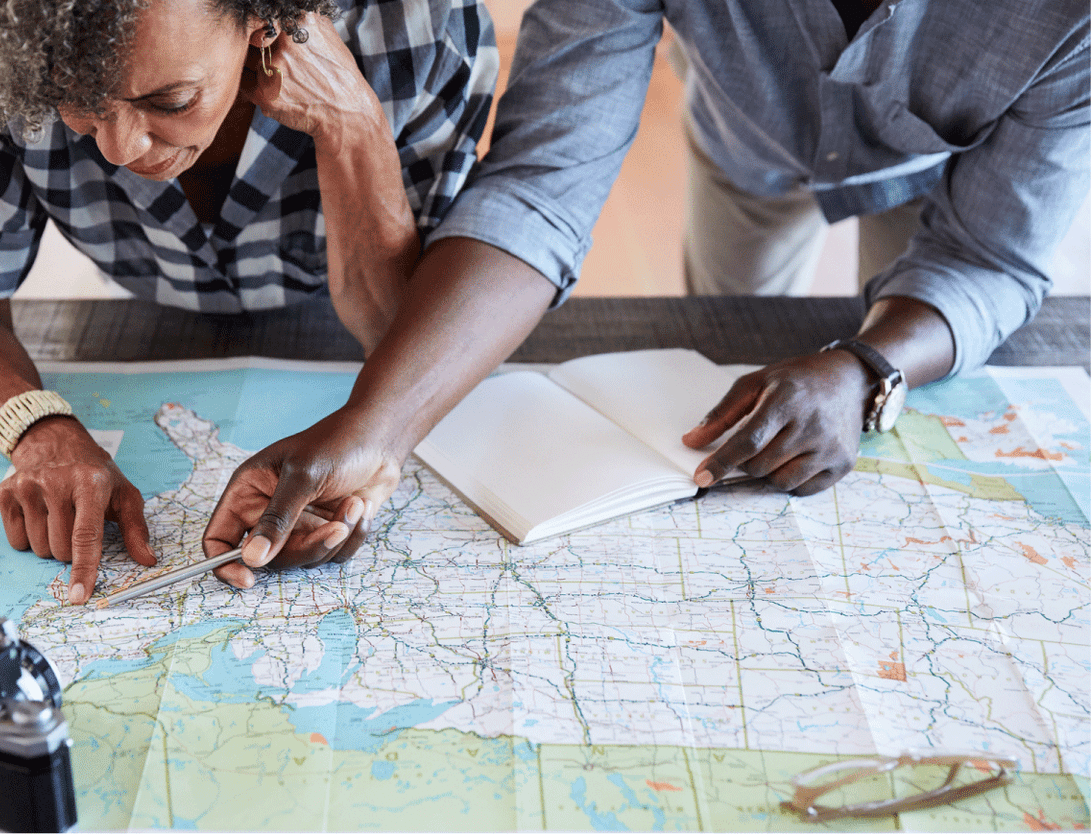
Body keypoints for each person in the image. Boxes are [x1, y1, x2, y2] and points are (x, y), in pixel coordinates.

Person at [0, 0, 551, 603]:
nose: (120, 148)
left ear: (262, 23)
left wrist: (349, 123)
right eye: (81, 108)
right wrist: (38, 431)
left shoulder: (416, 26)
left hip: (333, 334)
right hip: (142, 321)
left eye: (171, 99)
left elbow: (397, 334)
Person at [427, 0, 1090, 495]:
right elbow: (545, 180)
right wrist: (381, 425)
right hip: (743, 142)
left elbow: (985, 259)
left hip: (929, 172)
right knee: (722, 344)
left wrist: (864, 366)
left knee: (906, 356)